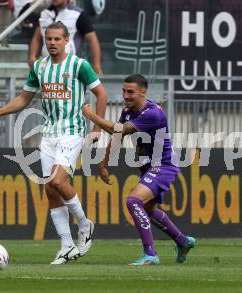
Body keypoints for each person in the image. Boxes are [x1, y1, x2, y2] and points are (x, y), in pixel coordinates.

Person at [0, 21, 107, 264]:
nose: (52, 43)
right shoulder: (40, 67)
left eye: (56, 39)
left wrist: (97, 128)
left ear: (66, 40)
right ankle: (66, 245)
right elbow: (24, 99)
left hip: (72, 131)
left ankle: (84, 224)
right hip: (49, 134)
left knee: (57, 180)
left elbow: (101, 94)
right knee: (50, 189)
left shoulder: (79, 65)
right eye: (48, 39)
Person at [82, 74, 196, 266]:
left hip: (163, 166)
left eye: (130, 92)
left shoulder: (152, 113)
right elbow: (117, 137)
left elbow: (118, 130)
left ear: (143, 92)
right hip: (148, 167)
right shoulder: (128, 111)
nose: (126, 96)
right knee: (149, 209)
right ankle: (183, 241)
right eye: (124, 91)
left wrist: (89, 114)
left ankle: (150, 254)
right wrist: (104, 164)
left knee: (133, 201)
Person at [28, 0, 102, 74]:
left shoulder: (78, 14)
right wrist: (32, 56)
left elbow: (93, 40)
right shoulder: (44, 14)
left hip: (71, 69)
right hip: (47, 68)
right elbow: (37, 38)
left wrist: (96, 66)